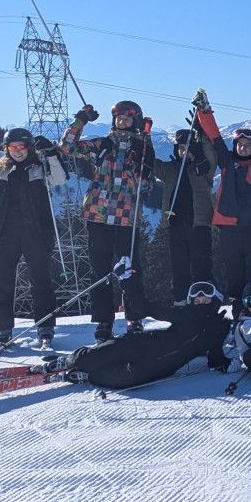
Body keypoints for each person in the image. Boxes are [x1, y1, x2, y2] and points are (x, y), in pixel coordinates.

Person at [0, 126, 69, 350]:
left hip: (37, 232)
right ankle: (1, 331)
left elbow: (60, 178)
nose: (17, 151)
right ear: (6, 149)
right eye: (12, 147)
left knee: (41, 281)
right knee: (1, 282)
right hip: (6, 233)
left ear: (30, 147)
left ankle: (45, 328)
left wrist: (51, 153)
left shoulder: (40, 169)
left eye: (22, 146)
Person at [60, 99, 155, 341]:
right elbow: (67, 147)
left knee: (130, 269)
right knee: (99, 270)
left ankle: (134, 317)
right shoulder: (101, 144)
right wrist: (80, 120)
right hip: (98, 214)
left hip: (126, 216)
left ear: (135, 121)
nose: (122, 121)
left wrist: (145, 163)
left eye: (127, 118)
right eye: (119, 118)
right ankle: (104, 321)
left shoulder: (141, 147)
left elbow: (147, 183)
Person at [193, 90, 251, 306]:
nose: (243, 148)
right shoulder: (227, 162)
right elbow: (215, 137)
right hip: (229, 227)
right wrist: (204, 111)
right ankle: (237, 311)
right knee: (233, 272)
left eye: (248, 145)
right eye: (240, 145)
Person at [66, 280, 232, 389]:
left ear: (216, 302)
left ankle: (88, 376)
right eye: (197, 301)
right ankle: (68, 361)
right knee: (97, 356)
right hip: (144, 344)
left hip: (160, 366)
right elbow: (156, 309)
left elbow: (215, 359)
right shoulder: (184, 314)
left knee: (126, 378)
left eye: (206, 301)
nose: (201, 305)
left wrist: (232, 364)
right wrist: (133, 292)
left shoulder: (218, 327)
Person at [150, 127, 216, 305]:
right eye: (180, 148)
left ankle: (204, 303)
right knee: (179, 268)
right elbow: (150, 163)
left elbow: (211, 154)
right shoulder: (170, 169)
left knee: (202, 267)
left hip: (199, 225)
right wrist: (145, 138)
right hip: (175, 226)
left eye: (188, 148)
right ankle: (180, 303)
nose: (184, 152)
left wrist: (202, 135)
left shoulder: (204, 169)